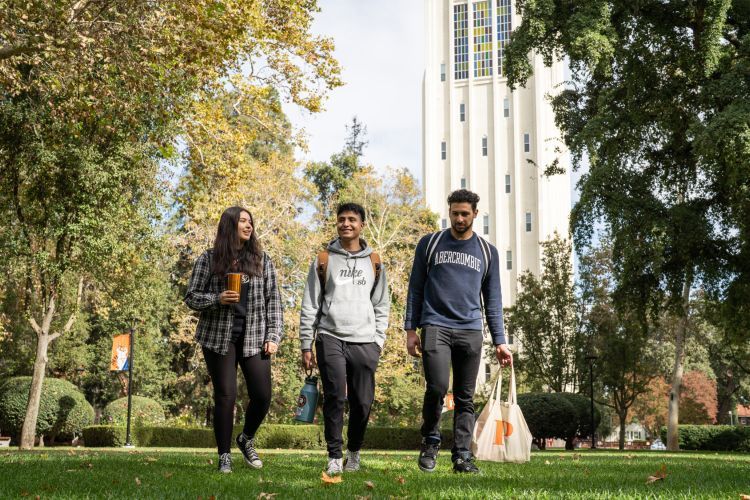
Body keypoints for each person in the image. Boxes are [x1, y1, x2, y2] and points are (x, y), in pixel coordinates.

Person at [404, 189, 512, 474]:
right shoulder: (431, 243)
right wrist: (410, 329)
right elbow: (415, 288)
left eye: (465, 214)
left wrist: (500, 341)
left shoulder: (488, 252)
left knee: (465, 396)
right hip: (435, 324)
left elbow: (493, 299)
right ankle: (430, 442)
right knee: (437, 388)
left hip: (470, 330)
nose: (460, 218)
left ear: (476, 214)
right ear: (449, 212)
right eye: (455, 213)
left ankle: (462, 455)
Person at [184, 206, 283, 473]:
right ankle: (224, 455)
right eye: (242, 221)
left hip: (254, 337)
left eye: (250, 221)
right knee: (226, 396)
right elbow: (191, 296)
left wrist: (273, 335)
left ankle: (246, 439)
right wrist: (217, 299)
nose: (248, 226)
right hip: (219, 338)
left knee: (262, 396)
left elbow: (273, 301)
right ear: (230, 226)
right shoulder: (209, 259)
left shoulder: (263, 260)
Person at [299, 202, 390, 475]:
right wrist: (306, 343)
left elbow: (382, 304)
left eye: (352, 219)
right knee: (335, 397)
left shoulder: (374, 262)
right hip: (330, 336)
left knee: (363, 402)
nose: (346, 223)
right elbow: (310, 303)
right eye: (341, 219)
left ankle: (354, 451)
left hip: (365, 340)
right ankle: (334, 455)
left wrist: (378, 341)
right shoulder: (324, 259)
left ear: (362, 225)